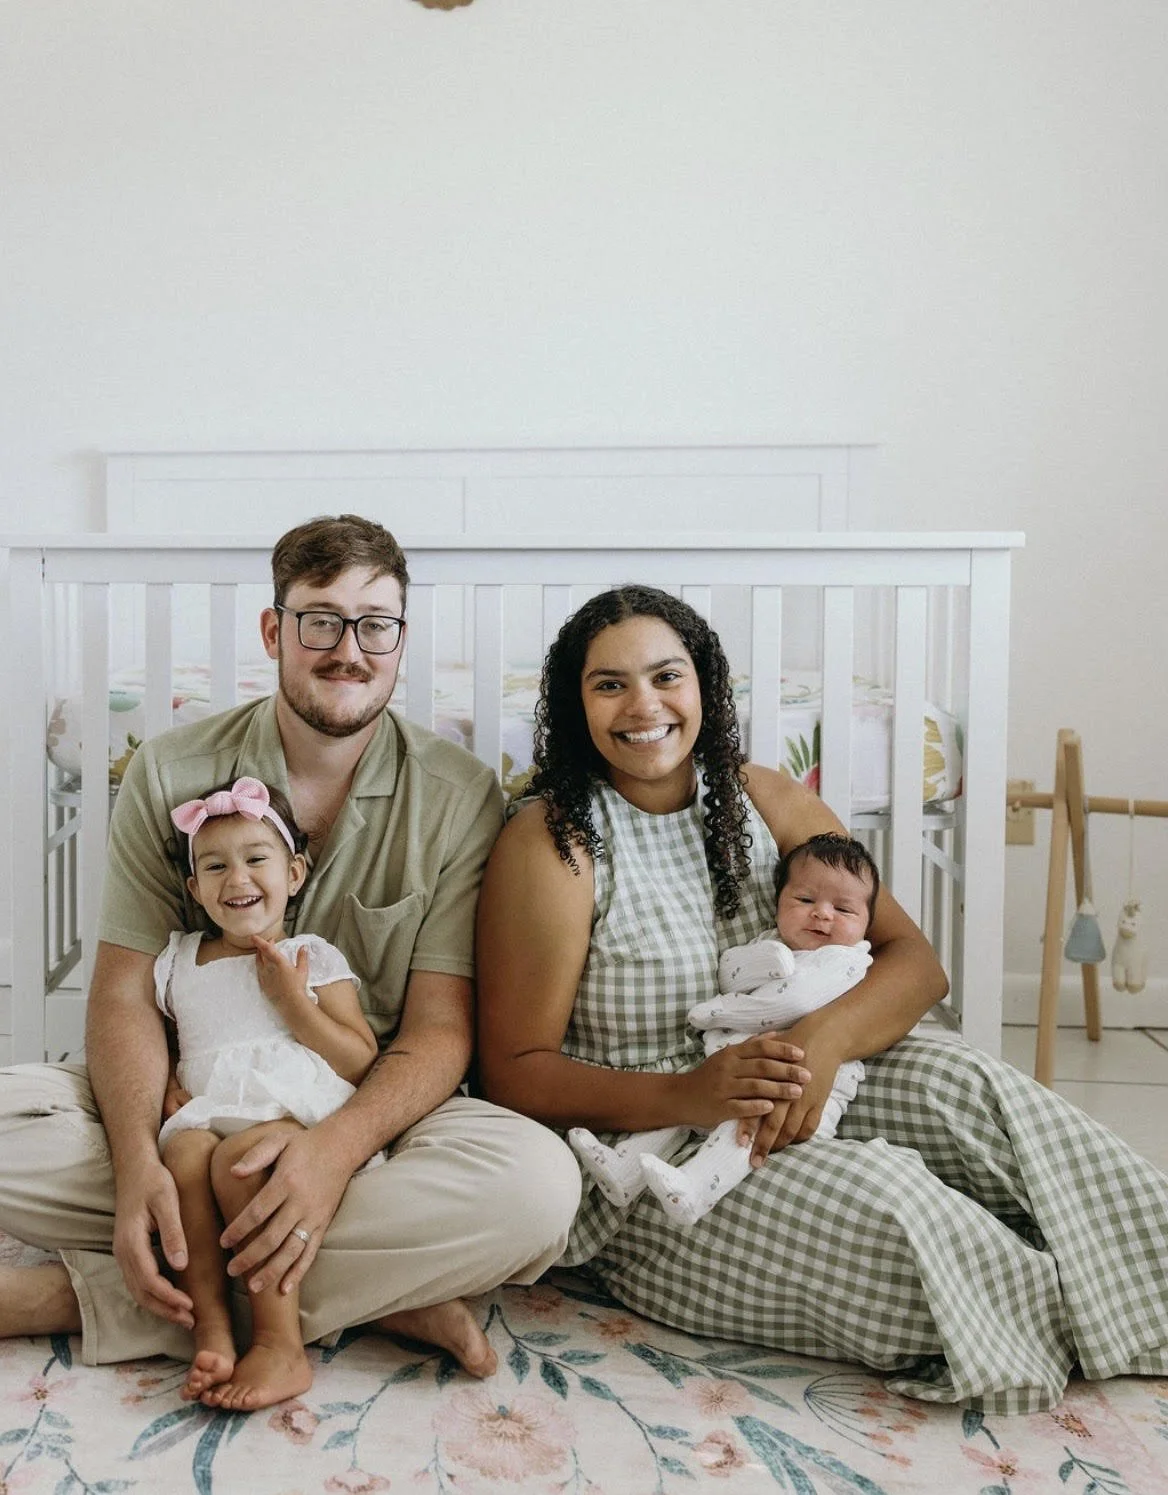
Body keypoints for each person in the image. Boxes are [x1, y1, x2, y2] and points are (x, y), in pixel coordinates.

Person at [476, 583, 1168, 1414]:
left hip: (807, 1065)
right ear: (575, 702)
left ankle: (1142, 1277)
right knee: (892, 1200)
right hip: (660, 1147)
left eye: (666, 676)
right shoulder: (554, 840)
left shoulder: (764, 797)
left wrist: (824, 1041)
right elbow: (512, 1069)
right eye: (609, 684)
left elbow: (915, 963)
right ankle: (1072, 1303)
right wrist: (689, 1093)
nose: (644, 705)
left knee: (975, 1087)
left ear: (704, 686)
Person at [0, 514, 581, 1379]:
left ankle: (98, 1299)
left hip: (366, 1117)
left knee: (538, 1188)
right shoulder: (167, 770)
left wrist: (331, 1154)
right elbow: (123, 993)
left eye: (375, 624)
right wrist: (137, 1165)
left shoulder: (459, 793)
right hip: (196, 1111)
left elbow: (437, 1031)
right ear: (274, 631)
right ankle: (378, 1292)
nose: (349, 650)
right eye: (320, 621)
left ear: (401, 639)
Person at [160, 775, 377, 1409]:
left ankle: (280, 1344)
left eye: (257, 859)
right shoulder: (178, 960)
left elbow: (360, 1059)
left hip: (291, 1113)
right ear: (194, 889)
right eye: (215, 867)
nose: (238, 879)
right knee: (183, 1156)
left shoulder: (310, 955)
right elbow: (165, 1044)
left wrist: (293, 1004)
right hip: (209, 1109)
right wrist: (167, 1086)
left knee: (239, 1161)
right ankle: (211, 1326)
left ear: (295, 874)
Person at [568, 833, 875, 1224]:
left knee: (743, 1129)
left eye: (843, 909)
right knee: (688, 1102)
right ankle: (624, 1170)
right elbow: (729, 972)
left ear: (867, 924)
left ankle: (695, 1190)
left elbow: (791, 1002)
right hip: (740, 1063)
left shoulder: (846, 961)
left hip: (801, 1087)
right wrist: (770, 959)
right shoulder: (772, 941)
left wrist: (715, 1013)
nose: (822, 914)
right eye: (804, 900)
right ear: (778, 901)